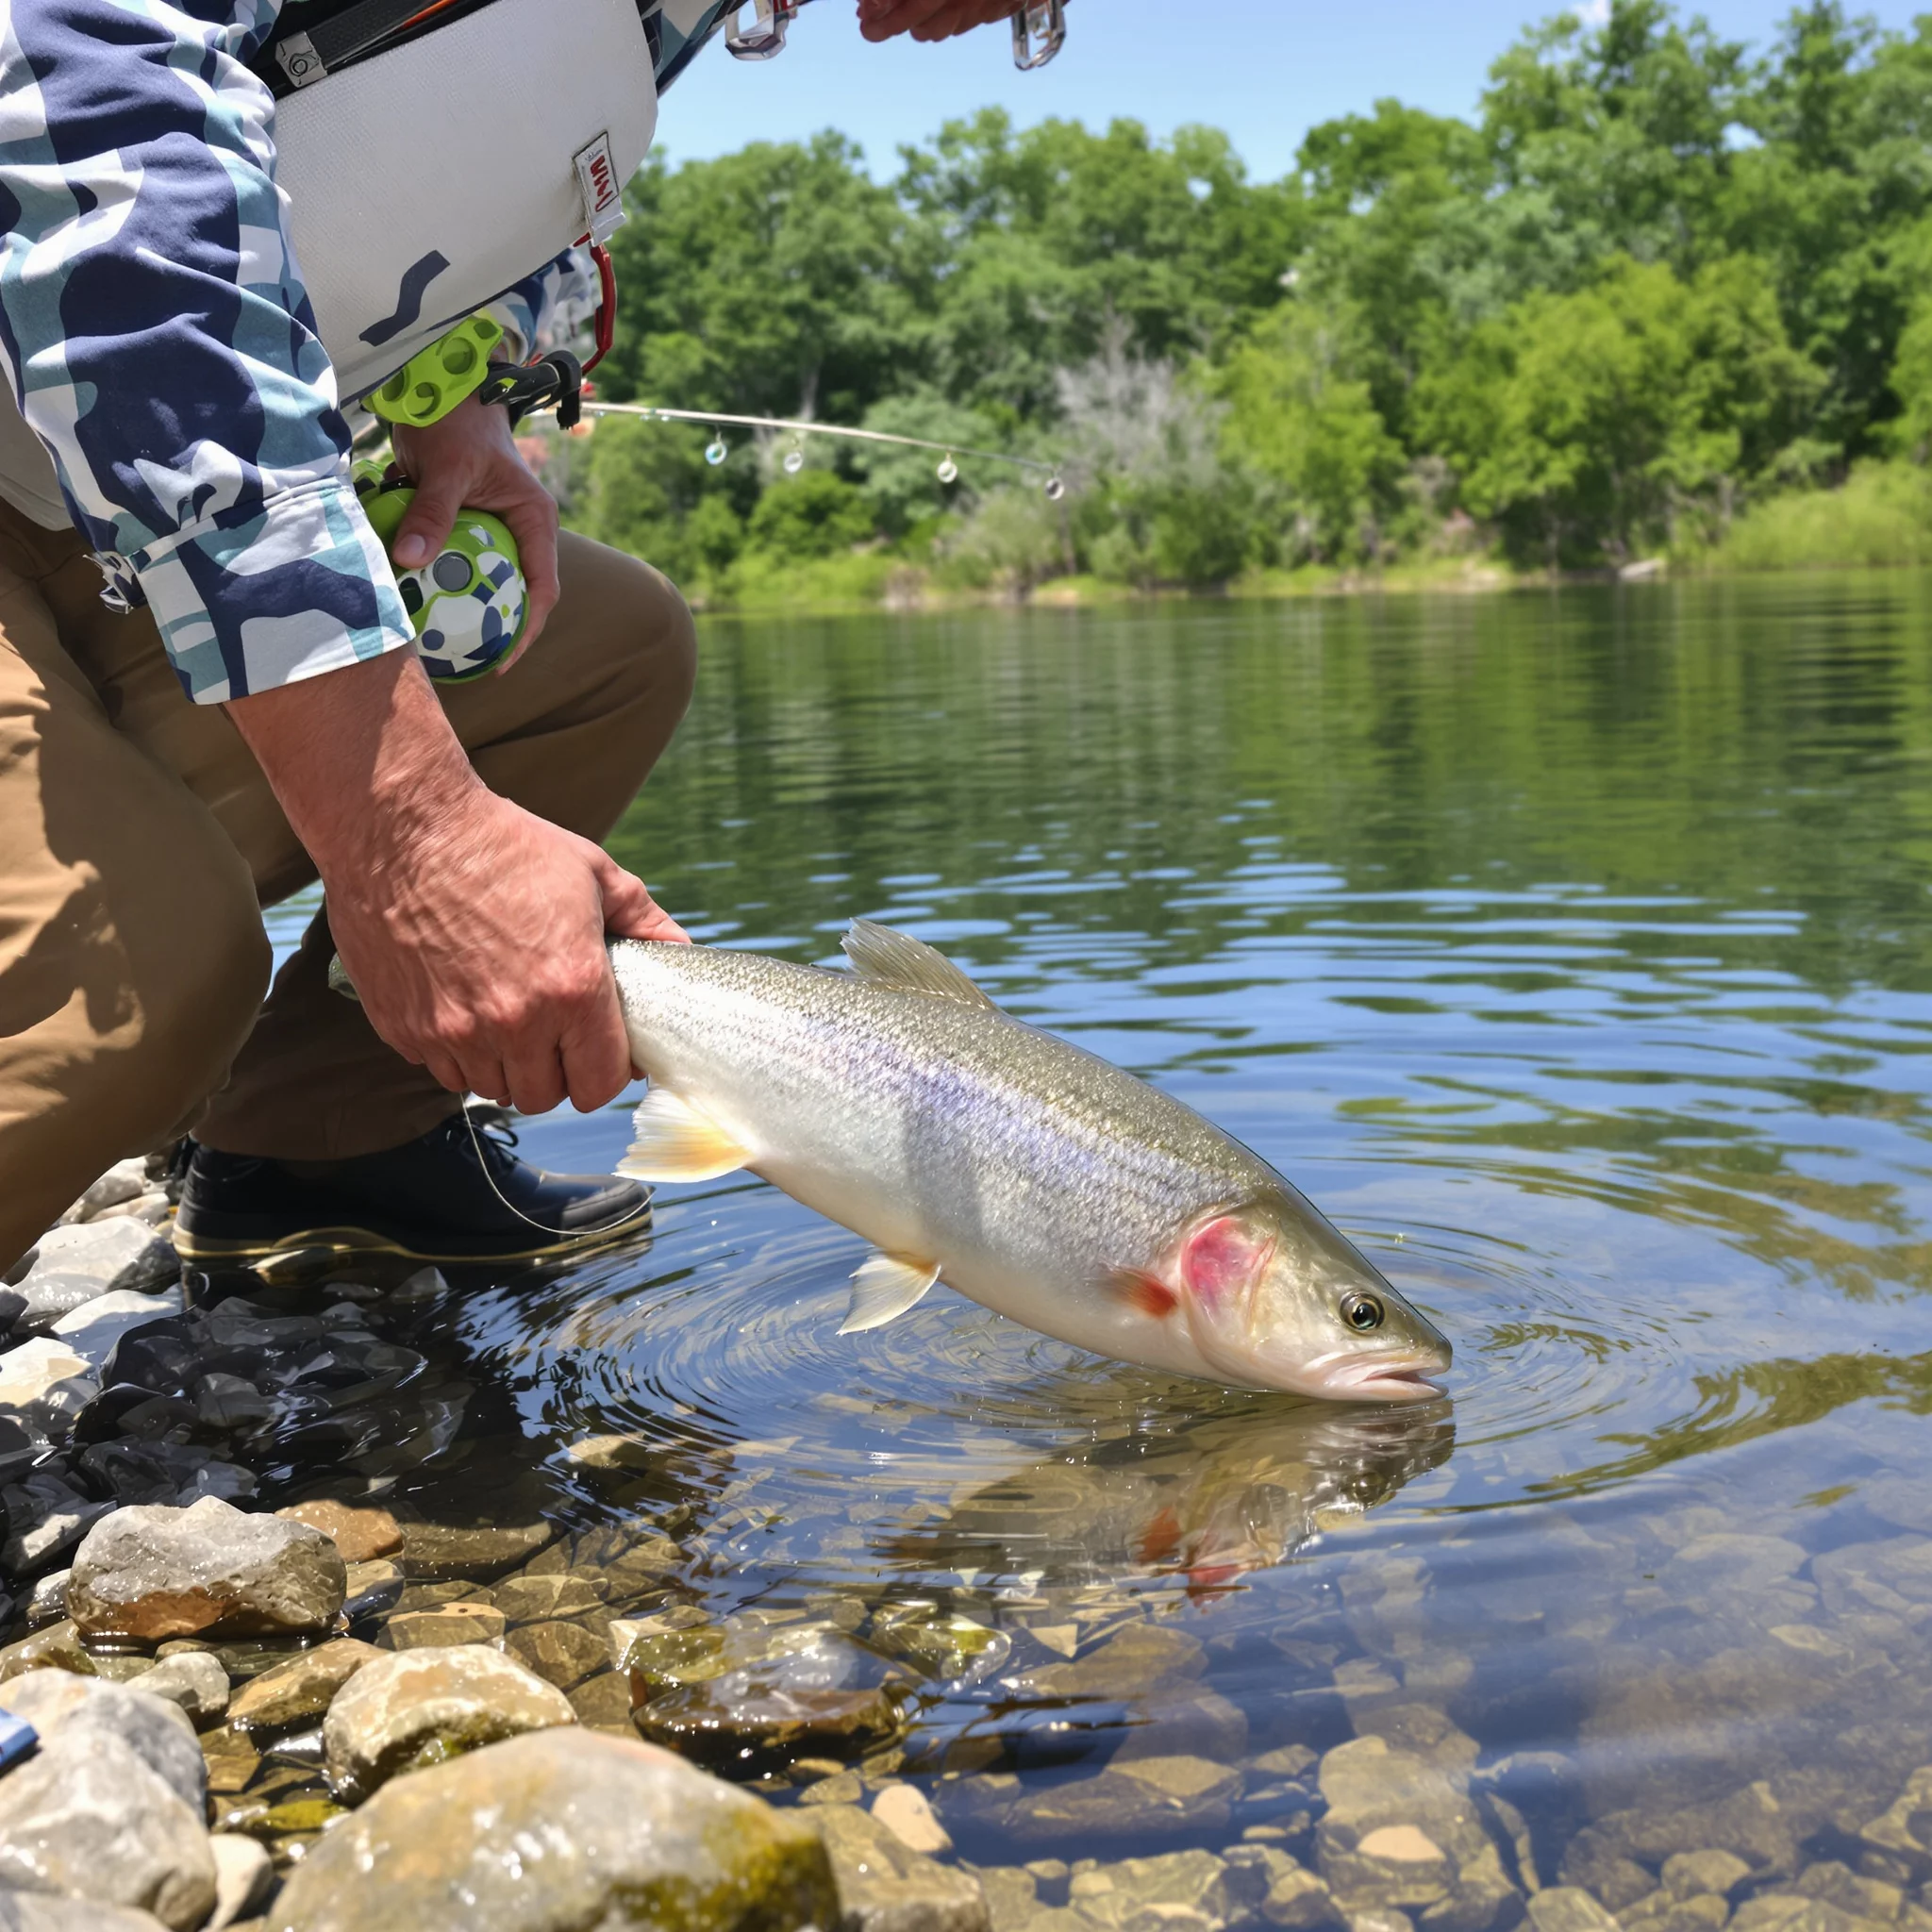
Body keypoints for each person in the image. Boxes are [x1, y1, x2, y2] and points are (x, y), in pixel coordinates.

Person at [0, 0, 1032, 1273]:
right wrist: (410, 832)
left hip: (89, 518)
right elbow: (99, 132)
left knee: (609, 650)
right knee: (141, 976)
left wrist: (454, 391)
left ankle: (319, 1150)